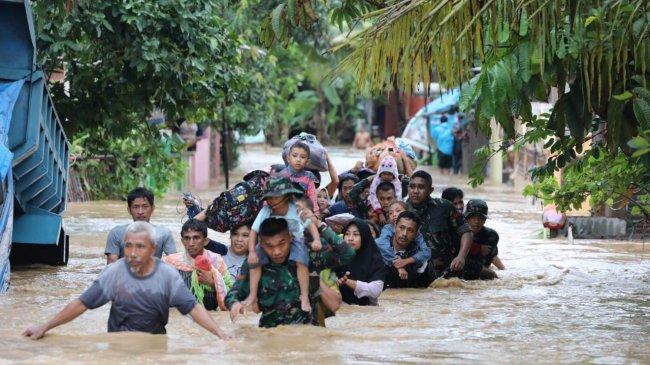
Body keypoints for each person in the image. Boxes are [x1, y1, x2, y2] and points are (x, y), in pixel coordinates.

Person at [23, 222, 228, 340]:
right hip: (118, 343)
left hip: (155, 345)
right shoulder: (114, 272)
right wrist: (45, 326)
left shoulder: (167, 275)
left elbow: (193, 309)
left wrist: (221, 334)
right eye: (128, 246)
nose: (132, 252)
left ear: (153, 248)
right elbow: (81, 304)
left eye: (140, 246)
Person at [245, 177, 321, 313]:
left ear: (285, 196)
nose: (270, 201)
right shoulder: (265, 211)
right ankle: (252, 295)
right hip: (270, 244)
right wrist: (251, 251)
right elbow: (253, 232)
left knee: (301, 260)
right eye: (268, 198)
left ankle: (304, 296)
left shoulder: (296, 210)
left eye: (274, 197)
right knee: (254, 261)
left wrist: (316, 240)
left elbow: (310, 226)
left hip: (295, 241)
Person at [225, 218, 318, 328]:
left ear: (290, 237)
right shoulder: (255, 262)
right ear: (261, 243)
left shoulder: (307, 256)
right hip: (269, 333)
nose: (276, 252)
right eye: (269, 246)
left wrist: (320, 225)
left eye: (281, 244)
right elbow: (234, 292)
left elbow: (343, 257)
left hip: (307, 333)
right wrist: (234, 304)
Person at [406, 171, 473, 279]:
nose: (415, 191)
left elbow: (466, 231)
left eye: (421, 187)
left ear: (430, 190)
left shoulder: (444, 206)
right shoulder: (400, 210)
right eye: (412, 187)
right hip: (414, 274)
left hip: (446, 273)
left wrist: (461, 256)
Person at [163, 219, 233, 310]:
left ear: (205, 241)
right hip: (180, 313)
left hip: (208, 314)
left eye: (196, 238)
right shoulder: (171, 262)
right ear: (182, 241)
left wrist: (212, 282)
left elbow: (232, 295)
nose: (191, 243)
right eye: (187, 238)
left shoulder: (216, 261)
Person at [105, 187, 176, 264]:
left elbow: (174, 262)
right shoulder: (116, 233)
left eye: (145, 206)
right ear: (129, 210)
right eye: (136, 207)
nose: (140, 212)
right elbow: (111, 265)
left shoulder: (164, 234)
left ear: (152, 209)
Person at [337, 219, 386, 306]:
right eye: (347, 234)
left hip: (367, 309)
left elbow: (375, 290)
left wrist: (346, 281)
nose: (350, 238)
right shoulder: (337, 256)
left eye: (356, 234)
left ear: (364, 237)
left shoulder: (374, 258)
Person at [377, 211, 432, 288]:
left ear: (416, 234)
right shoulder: (378, 249)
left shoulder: (420, 257)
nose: (404, 234)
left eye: (410, 230)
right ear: (395, 226)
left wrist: (406, 261)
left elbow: (425, 290)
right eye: (401, 227)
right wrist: (398, 265)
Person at [279, 141, 320, 214]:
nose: (298, 160)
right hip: (284, 210)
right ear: (288, 158)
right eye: (294, 156)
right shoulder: (282, 175)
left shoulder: (308, 177)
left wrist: (316, 212)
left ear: (307, 161)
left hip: (302, 210)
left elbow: (312, 196)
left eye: (302, 157)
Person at [464, 199, 500, 279]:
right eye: (473, 217)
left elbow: (490, 258)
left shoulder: (491, 236)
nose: (476, 221)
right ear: (466, 218)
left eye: (481, 218)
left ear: (485, 220)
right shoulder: (457, 233)